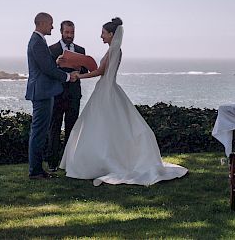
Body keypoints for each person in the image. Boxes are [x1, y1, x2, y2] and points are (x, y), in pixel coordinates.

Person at [59, 17, 188, 186]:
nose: (101, 36)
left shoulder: (113, 50)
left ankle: (102, 162)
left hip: (106, 90)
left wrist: (79, 75)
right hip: (108, 88)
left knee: (100, 127)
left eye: (104, 33)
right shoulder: (116, 50)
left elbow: (99, 71)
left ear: (112, 34)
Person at [25, 12, 78, 179]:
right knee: (39, 132)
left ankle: (38, 169)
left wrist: (55, 63)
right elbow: (47, 69)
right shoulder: (38, 42)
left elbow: (46, 65)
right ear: (42, 23)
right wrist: (68, 77)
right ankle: (36, 171)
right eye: (51, 24)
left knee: (39, 131)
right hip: (42, 92)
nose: (52, 27)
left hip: (43, 91)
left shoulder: (39, 41)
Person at [46, 20, 87, 172]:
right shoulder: (51, 49)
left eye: (72, 33)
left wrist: (79, 70)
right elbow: (48, 72)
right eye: (67, 32)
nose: (70, 36)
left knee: (72, 129)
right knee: (54, 129)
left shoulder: (80, 50)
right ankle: (52, 163)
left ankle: (69, 162)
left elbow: (86, 72)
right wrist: (57, 65)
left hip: (74, 95)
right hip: (56, 95)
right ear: (61, 32)